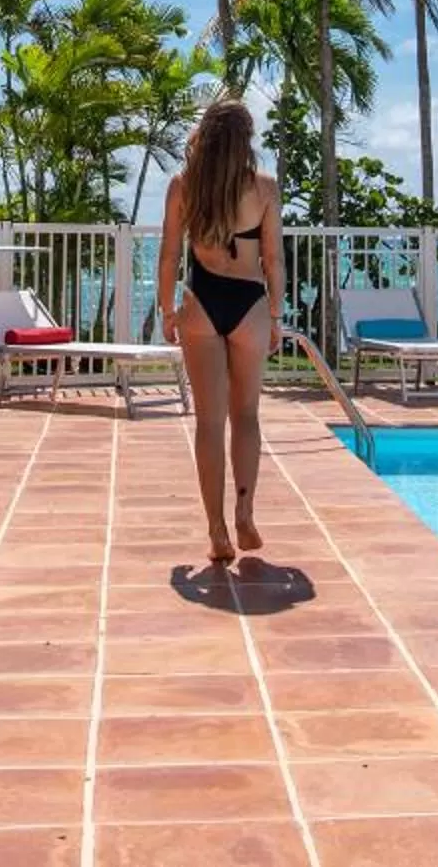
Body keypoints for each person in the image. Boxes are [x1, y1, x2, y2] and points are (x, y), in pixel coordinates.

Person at [154, 98, 282, 566]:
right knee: (246, 415)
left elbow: (169, 255)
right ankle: (245, 510)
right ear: (245, 139)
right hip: (249, 305)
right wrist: (277, 313)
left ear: (204, 135)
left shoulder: (184, 186)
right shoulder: (264, 189)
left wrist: (167, 309)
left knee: (209, 420)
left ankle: (216, 530)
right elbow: (273, 260)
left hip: (201, 303)